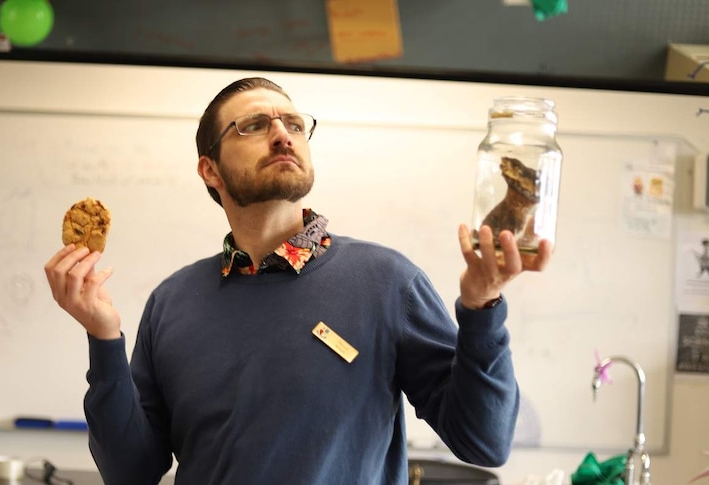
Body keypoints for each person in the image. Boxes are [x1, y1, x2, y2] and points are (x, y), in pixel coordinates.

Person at [44, 77, 553, 485]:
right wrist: (103, 338)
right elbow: (130, 473)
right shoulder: (172, 302)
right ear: (210, 171)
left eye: (293, 122)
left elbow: (483, 443)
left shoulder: (387, 282)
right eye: (254, 125)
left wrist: (483, 306)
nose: (283, 133)